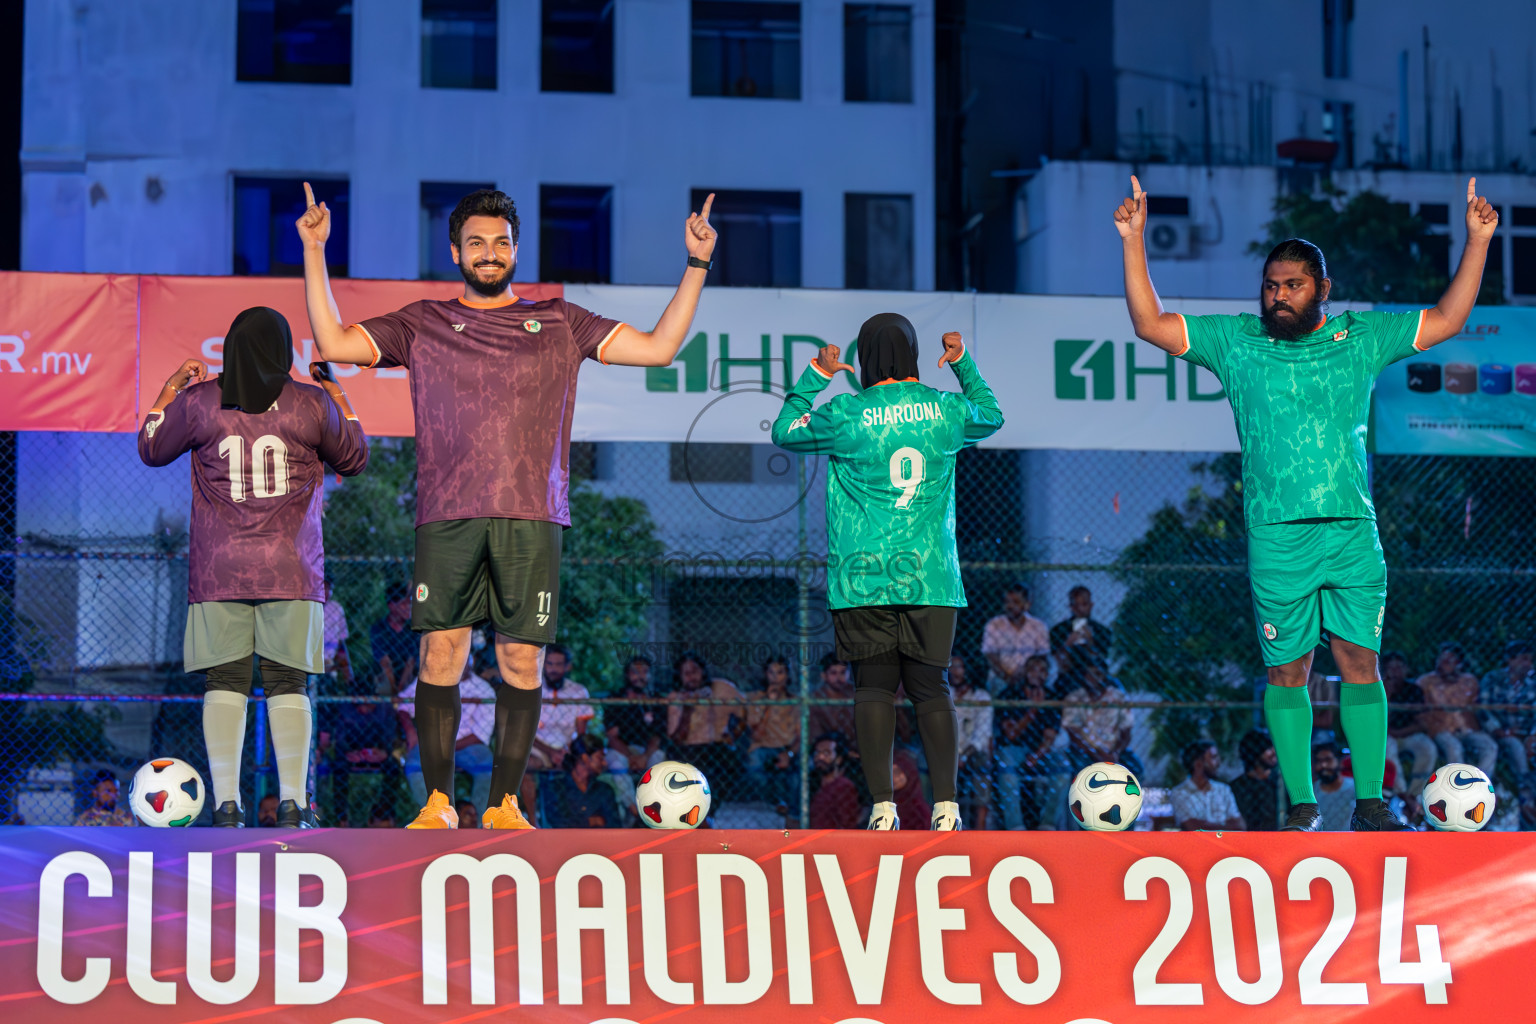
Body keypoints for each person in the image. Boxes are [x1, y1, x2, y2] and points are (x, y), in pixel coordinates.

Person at [298, 183, 717, 830]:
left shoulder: (559, 320)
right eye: (476, 243)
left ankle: (504, 802)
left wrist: (696, 265)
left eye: (499, 242)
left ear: (515, 249)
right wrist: (315, 250)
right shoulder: (423, 323)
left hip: (532, 517)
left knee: (521, 661)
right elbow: (333, 339)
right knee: (443, 657)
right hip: (448, 513)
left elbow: (660, 348)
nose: (488, 253)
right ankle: (438, 803)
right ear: (455, 252)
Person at [1115, 172, 1499, 832]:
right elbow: (1150, 323)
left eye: (1293, 285)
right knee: (1288, 671)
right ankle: (1301, 805)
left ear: (1322, 289)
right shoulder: (1238, 342)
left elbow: (1448, 319)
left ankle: (1373, 804)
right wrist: (1133, 239)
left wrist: (1479, 240)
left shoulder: (1359, 337)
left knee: (1359, 664)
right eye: (1270, 285)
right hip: (1277, 536)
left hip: (1351, 530)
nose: (1279, 295)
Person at [138, 307, 369, 829]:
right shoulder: (308, 403)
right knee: (289, 682)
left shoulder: (200, 402)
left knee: (225, 681)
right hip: (291, 569)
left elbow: (150, 448)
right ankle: (293, 805)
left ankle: (226, 807)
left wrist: (168, 390)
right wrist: (338, 395)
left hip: (220, 572)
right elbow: (355, 457)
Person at [772, 320, 1003, 832]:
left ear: (866, 357)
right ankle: (946, 809)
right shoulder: (943, 409)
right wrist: (963, 362)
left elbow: (783, 431)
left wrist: (816, 374)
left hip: (862, 576)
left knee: (873, 690)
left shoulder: (846, 413)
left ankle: (882, 808)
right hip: (932, 576)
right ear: (915, 355)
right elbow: (991, 415)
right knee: (932, 688)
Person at [399, 658, 497, 815]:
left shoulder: (484, 690)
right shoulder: (429, 679)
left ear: (471, 661)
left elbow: (481, 735)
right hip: (431, 743)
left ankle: (477, 823)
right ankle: (434, 818)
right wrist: (410, 730)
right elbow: (403, 703)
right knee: (414, 765)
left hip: (467, 746)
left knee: (488, 765)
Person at [994, 654, 1069, 830]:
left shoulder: (1053, 697)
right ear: (1025, 672)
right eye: (1033, 669)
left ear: (1048, 674)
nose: (1037, 674)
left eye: (1042, 670)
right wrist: (1032, 710)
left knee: (1063, 769)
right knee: (1006, 766)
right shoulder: (1009, 694)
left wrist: (1037, 755)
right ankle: (1015, 826)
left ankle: (1047, 824)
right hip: (1014, 748)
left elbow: (1050, 736)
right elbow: (1011, 734)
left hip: (1042, 750)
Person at [524, 644, 596, 819]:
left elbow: (581, 733)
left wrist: (567, 753)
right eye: (549, 664)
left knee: (585, 765)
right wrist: (550, 752)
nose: (553, 669)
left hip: (568, 749)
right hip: (538, 747)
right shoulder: (531, 687)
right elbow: (525, 731)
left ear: (567, 667)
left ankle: (575, 820)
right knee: (524, 767)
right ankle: (533, 821)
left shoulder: (578, 691)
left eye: (558, 664)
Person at [665, 651, 746, 797]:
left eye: (695, 671)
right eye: (686, 673)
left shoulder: (722, 688)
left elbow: (745, 712)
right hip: (689, 748)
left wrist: (734, 734)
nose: (692, 677)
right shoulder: (676, 697)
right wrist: (688, 710)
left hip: (717, 745)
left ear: (703, 671)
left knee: (733, 764)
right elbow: (676, 738)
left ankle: (709, 812)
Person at [1416, 641, 1498, 776]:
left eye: (1448, 661)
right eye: (1440, 660)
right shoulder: (1426, 682)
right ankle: (1457, 785)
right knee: (1454, 747)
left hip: (1468, 729)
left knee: (1490, 746)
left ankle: (1480, 784)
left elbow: (1478, 708)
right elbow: (1419, 712)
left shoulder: (1469, 681)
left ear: (1459, 664)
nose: (1441, 665)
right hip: (1441, 729)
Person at [1060, 654, 1142, 777]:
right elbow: (1073, 734)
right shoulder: (1074, 698)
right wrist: (1096, 754)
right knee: (1080, 769)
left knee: (1136, 769)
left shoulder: (1118, 697)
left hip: (1112, 750)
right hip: (1084, 751)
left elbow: (1126, 732)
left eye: (1097, 674)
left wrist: (1115, 753)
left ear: (1104, 676)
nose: (1093, 678)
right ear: (1084, 676)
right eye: (1089, 674)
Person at [744, 656, 800, 810]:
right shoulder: (755, 699)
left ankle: (793, 810)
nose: (775, 678)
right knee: (754, 768)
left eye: (780, 672)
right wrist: (768, 704)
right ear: (765, 675)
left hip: (787, 747)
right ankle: (775, 802)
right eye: (771, 673)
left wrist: (788, 754)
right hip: (762, 747)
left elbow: (801, 737)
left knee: (797, 776)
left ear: (787, 675)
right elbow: (755, 735)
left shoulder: (796, 701)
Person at [1381, 651, 1436, 795]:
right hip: (1385, 735)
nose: (1395, 672)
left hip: (1408, 733)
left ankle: (1416, 794)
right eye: (1391, 668)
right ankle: (1401, 794)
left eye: (1399, 668)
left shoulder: (1414, 690)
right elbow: (1376, 723)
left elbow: (1422, 724)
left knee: (1428, 748)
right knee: (1387, 748)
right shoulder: (1377, 689)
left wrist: (1399, 733)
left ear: (1406, 669)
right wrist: (1387, 694)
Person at [951, 654, 995, 830]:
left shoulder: (982, 696)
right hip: (946, 751)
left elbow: (981, 737)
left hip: (973, 751)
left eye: (958, 666)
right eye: (951, 666)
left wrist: (964, 756)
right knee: (925, 761)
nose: (954, 671)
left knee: (983, 763)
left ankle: (980, 826)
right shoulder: (944, 692)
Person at [1481, 641, 1535, 783]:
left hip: (1527, 734)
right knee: (1515, 746)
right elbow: (1483, 709)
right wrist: (1499, 730)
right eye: (1524, 659)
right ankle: (1525, 789)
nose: (1528, 664)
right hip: (1502, 734)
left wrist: (1533, 735)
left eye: (1530, 660)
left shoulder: (1532, 684)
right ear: (1509, 659)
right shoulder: (1493, 679)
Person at [981, 584, 1051, 693]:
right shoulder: (994, 624)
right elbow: (991, 656)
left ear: (1027, 604)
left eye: (1016, 602)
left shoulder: (1038, 626)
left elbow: (1042, 655)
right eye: (1007, 602)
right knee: (996, 683)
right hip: (1001, 676)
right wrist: (1007, 676)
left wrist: (1026, 673)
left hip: (1030, 675)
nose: (1010, 606)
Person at [544, 736, 621, 828]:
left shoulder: (604, 789)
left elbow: (614, 824)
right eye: (599, 758)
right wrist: (591, 821)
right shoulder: (556, 787)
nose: (604, 763)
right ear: (585, 758)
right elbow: (559, 823)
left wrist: (579, 822)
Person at [1170, 740, 1245, 831]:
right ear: (1198, 764)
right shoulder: (1180, 793)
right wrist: (1225, 825)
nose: (1218, 763)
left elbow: (1240, 825)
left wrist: (1204, 825)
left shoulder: (1223, 790)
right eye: (1213, 758)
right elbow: (1191, 827)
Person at [1229, 729, 1288, 831]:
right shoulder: (1237, 787)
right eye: (1268, 748)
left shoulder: (1283, 783)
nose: (1274, 751)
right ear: (1255, 752)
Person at [370, 582, 417, 694]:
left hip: (408, 673)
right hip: (386, 674)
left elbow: (411, 662)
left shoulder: (414, 628)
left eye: (410, 604)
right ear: (392, 606)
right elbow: (385, 663)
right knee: (382, 685)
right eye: (404, 604)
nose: (409, 608)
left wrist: (400, 689)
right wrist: (393, 690)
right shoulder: (379, 628)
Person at [808, 734, 861, 830]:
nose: (820, 757)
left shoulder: (843, 787)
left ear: (838, 759)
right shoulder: (812, 785)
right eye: (817, 752)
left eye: (826, 753)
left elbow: (847, 825)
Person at [1048, 585, 1114, 664]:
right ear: (1071, 607)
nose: (1080, 609)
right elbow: (1052, 661)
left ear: (1091, 605)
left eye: (1084, 604)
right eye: (1076, 605)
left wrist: (1090, 642)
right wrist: (1068, 644)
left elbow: (1105, 660)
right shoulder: (1058, 631)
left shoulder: (1102, 632)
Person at [806, 655, 858, 753]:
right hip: (826, 750)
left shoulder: (855, 694)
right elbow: (815, 734)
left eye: (843, 672)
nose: (839, 678)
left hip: (855, 748)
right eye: (833, 673)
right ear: (824, 675)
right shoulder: (815, 699)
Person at [1312, 743, 1356, 832]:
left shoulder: (1354, 788)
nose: (1323, 765)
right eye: (1319, 761)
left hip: (1350, 842)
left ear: (1339, 761)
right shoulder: (1311, 792)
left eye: (1328, 760)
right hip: (1320, 843)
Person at [321, 573, 353, 688]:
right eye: (322, 587)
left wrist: (347, 671)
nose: (326, 592)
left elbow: (341, 643)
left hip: (329, 660)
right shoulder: (303, 607)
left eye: (329, 588)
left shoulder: (336, 608)